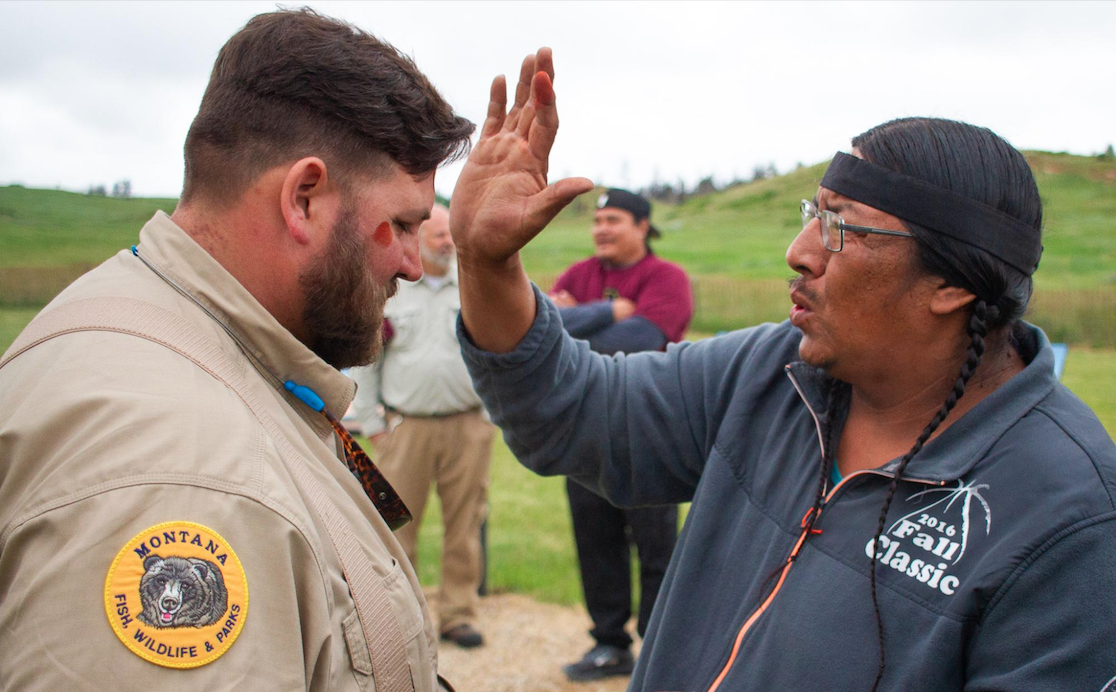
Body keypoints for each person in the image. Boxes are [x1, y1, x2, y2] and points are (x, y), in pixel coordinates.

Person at [447, 51, 1116, 691]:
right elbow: (576, 413)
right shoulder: (772, 373)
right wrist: (486, 264)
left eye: (841, 227)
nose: (798, 253)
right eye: (811, 216)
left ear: (950, 283)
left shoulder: (1069, 517)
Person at [0, 9, 476, 691]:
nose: (412, 264)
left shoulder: (179, 332)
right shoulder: (180, 469)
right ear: (304, 199)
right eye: (400, 223)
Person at [547, 188, 692, 680]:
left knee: (656, 547)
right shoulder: (579, 274)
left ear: (643, 226)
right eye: (597, 220)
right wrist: (609, 311)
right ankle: (609, 644)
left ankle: (659, 647)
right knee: (596, 541)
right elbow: (544, 332)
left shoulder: (666, 278)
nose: (602, 228)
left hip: (652, 432)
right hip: (584, 432)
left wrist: (573, 323)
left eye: (614, 219)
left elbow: (644, 339)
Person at [348, 203, 496, 650]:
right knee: (395, 527)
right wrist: (373, 424)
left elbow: (493, 353)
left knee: (465, 525)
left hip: (468, 426)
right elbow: (368, 362)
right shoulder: (392, 292)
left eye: (452, 235)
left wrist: (490, 417)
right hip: (404, 428)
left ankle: (458, 614)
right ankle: (399, 620)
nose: (448, 243)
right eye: (438, 236)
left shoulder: (473, 290)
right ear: (417, 237)